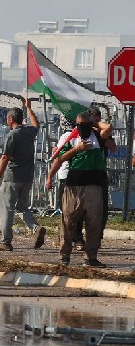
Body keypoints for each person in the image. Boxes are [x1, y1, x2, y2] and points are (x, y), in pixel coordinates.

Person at [46, 111, 107, 268]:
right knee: (68, 221)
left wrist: (95, 123)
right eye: (79, 125)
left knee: (94, 223)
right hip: (73, 186)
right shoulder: (72, 139)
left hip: (94, 186)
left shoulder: (97, 136)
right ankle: (64, 255)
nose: (82, 128)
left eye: (85, 125)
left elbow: (108, 128)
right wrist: (77, 149)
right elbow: (59, 159)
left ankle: (91, 257)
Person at [0, 100, 46, 251]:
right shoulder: (29, 132)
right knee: (22, 206)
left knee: (6, 208)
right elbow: (36, 125)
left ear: (10, 119)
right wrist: (29, 107)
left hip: (12, 177)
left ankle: (5, 241)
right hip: (27, 177)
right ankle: (35, 228)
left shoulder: (12, 135)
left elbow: (5, 158)